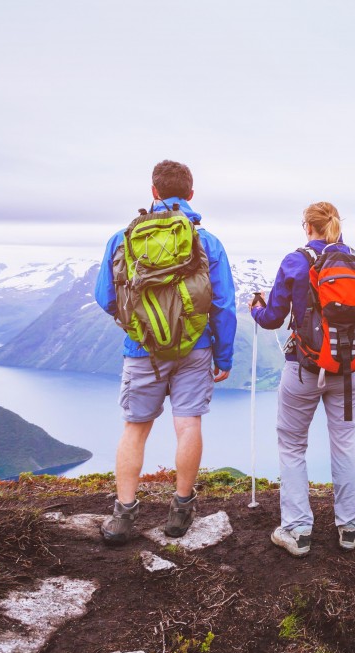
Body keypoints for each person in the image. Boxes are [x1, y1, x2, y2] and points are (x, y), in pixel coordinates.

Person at [94, 160, 237, 544]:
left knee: (135, 430)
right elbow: (223, 306)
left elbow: (105, 297)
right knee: (188, 425)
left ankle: (123, 516)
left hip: (141, 351)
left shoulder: (122, 238)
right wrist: (223, 358)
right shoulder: (207, 241)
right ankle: (181, 510)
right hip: (195, 348)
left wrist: (139, 326)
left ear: (153, 191)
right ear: (191, 194)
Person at [251, 201, 355, 556]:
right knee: (345, 444)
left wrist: (256, 308)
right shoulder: (354, 264)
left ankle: (298, 530)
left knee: (292, 446)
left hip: (303, 372)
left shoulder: (296, 261)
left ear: (307, 226)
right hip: (348, 373)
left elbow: (273, 317)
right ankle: (349, 526)